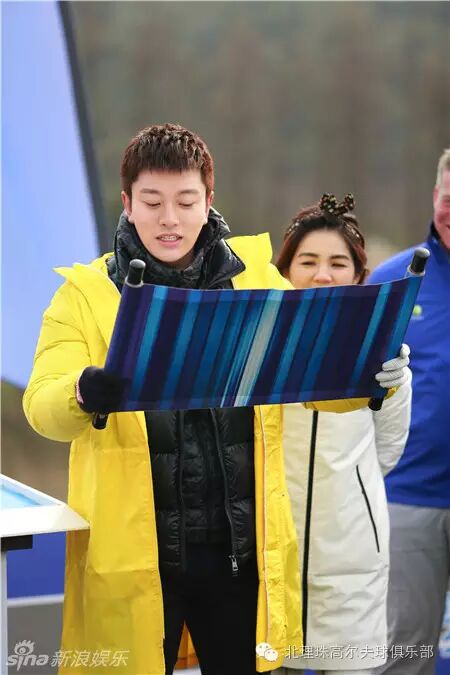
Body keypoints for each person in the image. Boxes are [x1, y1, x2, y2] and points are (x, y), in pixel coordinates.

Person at [23, 125, 409, 675]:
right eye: (152, 202)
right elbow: (43, 407)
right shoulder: (83, 295)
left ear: (208, 201)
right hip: (138, 556)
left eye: (185, 202)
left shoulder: (256, 281)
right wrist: (81, 391)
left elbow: (315, 380)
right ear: (127, 204)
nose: (170, 219)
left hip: (241, 553)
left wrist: (372, 374)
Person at [274, 193, 412, 675]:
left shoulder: (386, 359)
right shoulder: (257, 351)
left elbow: (387, 450)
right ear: (285, 270)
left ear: (358, 276)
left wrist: (354, 494)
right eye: (308, 261)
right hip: (271, 561)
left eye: (337, 263)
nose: (322, 275)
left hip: (352, 562)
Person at [369, 149, 450, 675]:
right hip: (408, 497)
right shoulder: (396, 278)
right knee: (405, 653)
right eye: (449, 199)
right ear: (435, 196)